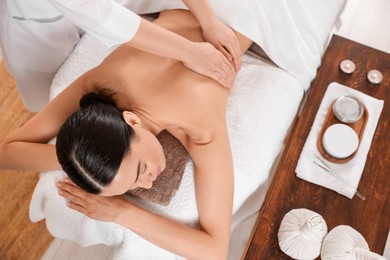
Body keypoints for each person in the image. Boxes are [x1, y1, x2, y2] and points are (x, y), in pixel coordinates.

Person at [0, 9, 252, 258]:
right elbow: (5, 155)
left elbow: (215, 251)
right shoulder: (104, 83)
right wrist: (84, 162)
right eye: (133, 184)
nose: (149, 183)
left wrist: (120, 212)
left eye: (141, 170)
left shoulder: (200, 127)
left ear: (131, 120)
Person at [0, 0, 241, 112]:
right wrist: (190, 51)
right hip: (39, 22)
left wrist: (208, 20)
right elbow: (105, 17)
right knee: (47, 93)